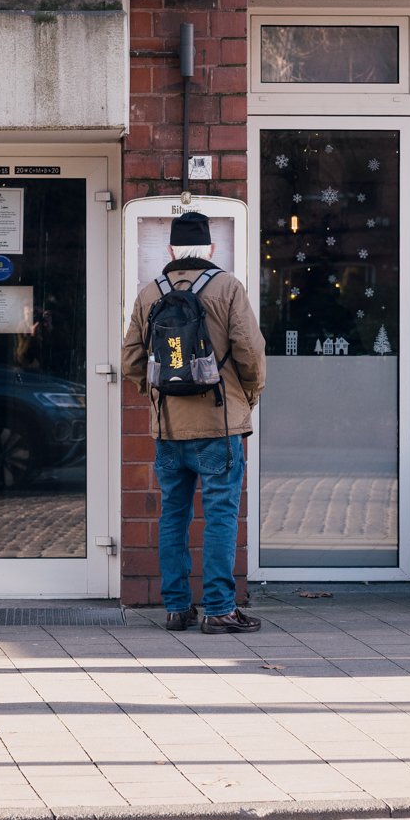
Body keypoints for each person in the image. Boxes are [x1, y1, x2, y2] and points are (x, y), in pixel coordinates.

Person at [122, 211, 268, 634]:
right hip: (219, 424)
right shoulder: (227, 287)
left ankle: (176, 608)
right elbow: (250, 352)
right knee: (220, 515)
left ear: (170, 250)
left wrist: (157, 396)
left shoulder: (150, 292)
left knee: (173, 514)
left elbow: (131, 360)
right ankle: (219, 609)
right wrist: (249, 395)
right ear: (212, 248)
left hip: (168, 428)